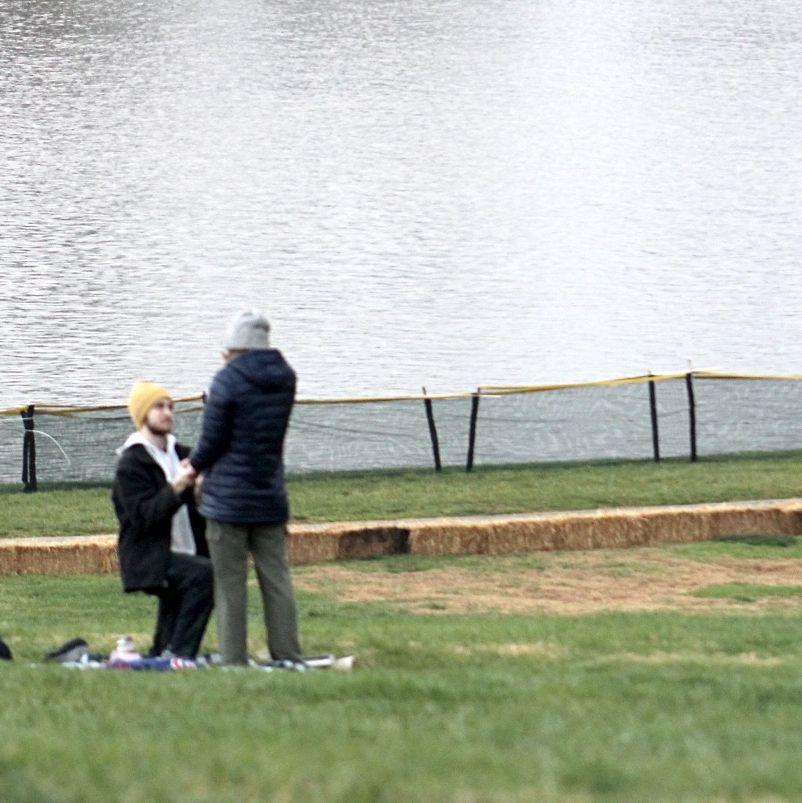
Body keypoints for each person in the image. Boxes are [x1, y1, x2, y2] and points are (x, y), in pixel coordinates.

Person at [187, 311, 303, 666]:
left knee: (230, 583)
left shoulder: (227, 381)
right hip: (269, 494)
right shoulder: (285, 378)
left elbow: (212, 441)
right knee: (276, 577)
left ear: (234, 346)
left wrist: (192, 466)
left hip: (227, 501)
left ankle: (233, 658)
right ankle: (287, 653)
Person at [111, 382, 214, 659]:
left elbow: (200, 503)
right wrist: (176, 487)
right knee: (204, 575)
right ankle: (180, 655)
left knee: (185, 586)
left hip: (187, 547)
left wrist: (201, 489)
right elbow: (144, 518)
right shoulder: (132, 463)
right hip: (148, 555)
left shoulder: (183, 454)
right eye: (159, 407)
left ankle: (161, 653)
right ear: (143, 414)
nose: (168, 413)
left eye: (171, 407)